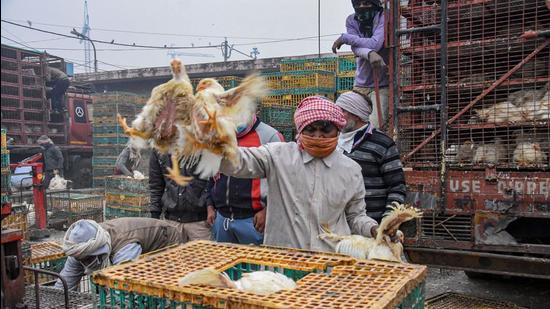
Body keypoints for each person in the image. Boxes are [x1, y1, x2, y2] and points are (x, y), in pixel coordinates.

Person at [218, 96, 379, 252]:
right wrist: (211, 142)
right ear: (300, 129)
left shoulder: (350, 170)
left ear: (338, 130)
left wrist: (375, 229)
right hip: (285, 263)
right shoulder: (278, 156)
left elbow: (356, 216)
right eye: (310, 130)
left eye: (325, 130)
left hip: (331, 264)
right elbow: (238, 161)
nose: (318, 136)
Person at [206, 114, 284, 245]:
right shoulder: (218, 135)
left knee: (254, 264)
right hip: (222, 218)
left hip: (253, 221)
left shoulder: (270, 136)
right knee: (224, 264)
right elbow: (212, 173)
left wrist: (268, 211)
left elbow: (282, 181)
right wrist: (210, 205)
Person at [335, 91, 406, 222]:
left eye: (342, 111)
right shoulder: (332, 141)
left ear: (356, 115)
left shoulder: (383, 144)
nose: (337, 116)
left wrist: (387, 223)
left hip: (371, 225)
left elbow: (397, 187)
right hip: (337, 226)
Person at [54, 218, 182, 290]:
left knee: (160, 289)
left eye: (89, 259)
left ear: (99, 251)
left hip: (166, 242)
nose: (86, 263)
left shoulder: (124, 248)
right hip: (138, 243)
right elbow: (65, 282)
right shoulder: (79, 248)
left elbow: (124, 287)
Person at [332, 0, 389, 131]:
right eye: (358, 4)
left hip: (382, 84)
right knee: (348, 123)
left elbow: (376, 43)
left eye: (366, 3)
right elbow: (356, 48)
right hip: (361, 84)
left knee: (376, 126)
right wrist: (369, 53)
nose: (361, 7)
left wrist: (345, 38)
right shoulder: (352, 20)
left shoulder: (383, 16)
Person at [149, 150, 211, 241]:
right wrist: (155, 215)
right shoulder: (159, 148)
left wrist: (210, 205)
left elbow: (213, 179)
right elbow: (156, 184)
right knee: (172, 254)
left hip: (200, 222)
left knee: (204, 254)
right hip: (171, 222)